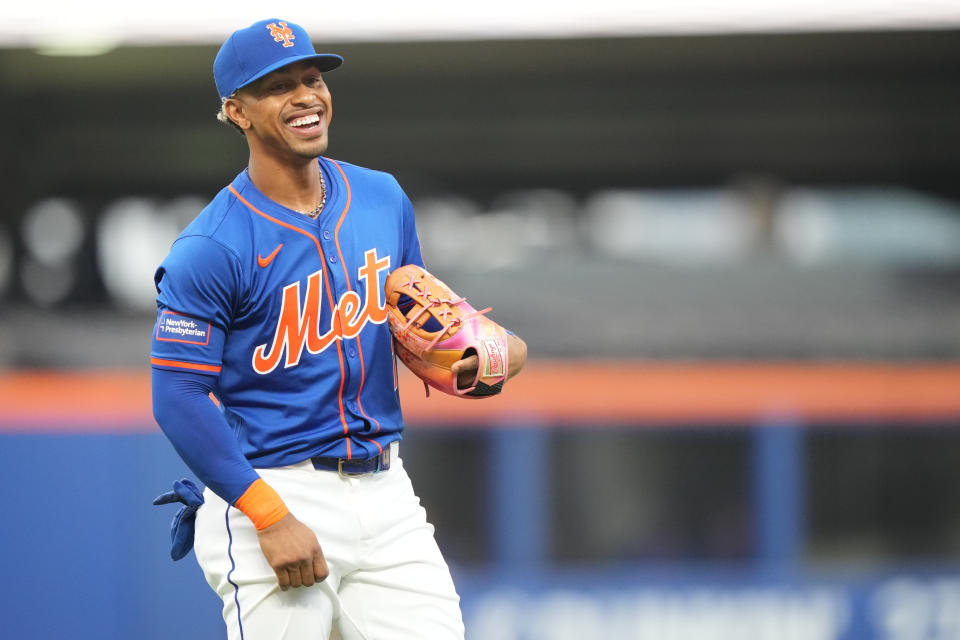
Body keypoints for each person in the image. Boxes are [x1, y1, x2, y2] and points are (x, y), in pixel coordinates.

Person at [150, 18, 527, 640]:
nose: (305, 96)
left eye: (312, 77)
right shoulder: (210, 247)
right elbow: (178, 398)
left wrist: (482, 355)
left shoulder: (382, 198)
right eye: (277, 87)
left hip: (386, 488)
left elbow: (417, 325)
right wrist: (269, 517)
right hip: (274, 487)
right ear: (236, 110)